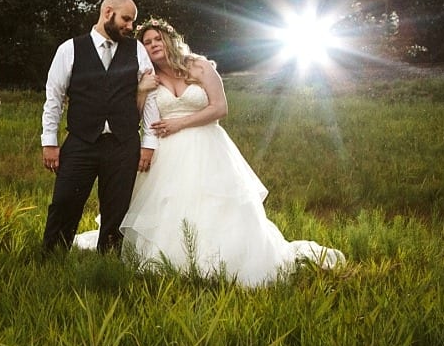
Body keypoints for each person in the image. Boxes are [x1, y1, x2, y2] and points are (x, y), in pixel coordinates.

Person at [77, 18, 345, 286]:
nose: (153, 45)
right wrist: (141, 91)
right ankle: (172, 260)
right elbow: (133, 118)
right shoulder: (146, 77)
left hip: (207, 146)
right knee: (168, 205)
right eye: (147, 43)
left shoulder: (199, 66)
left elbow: (219, 108)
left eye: (157, 39)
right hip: (166, 154)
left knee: (215, 204)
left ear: (170, 40)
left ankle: (222, 260)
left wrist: (179, 123)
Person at [40, 0, 162, 254]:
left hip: (123, 143)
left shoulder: (137, 50)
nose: (130, 27)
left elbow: (150, 97)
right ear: (108, 12)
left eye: (132, 22)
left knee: (117, 207)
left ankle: (108, 261)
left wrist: (149, 143)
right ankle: (52, 257)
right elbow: (55, 97)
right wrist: (49, 141)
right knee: (64, 201)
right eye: (126, 19)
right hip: (81, 141)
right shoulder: (70, 49)